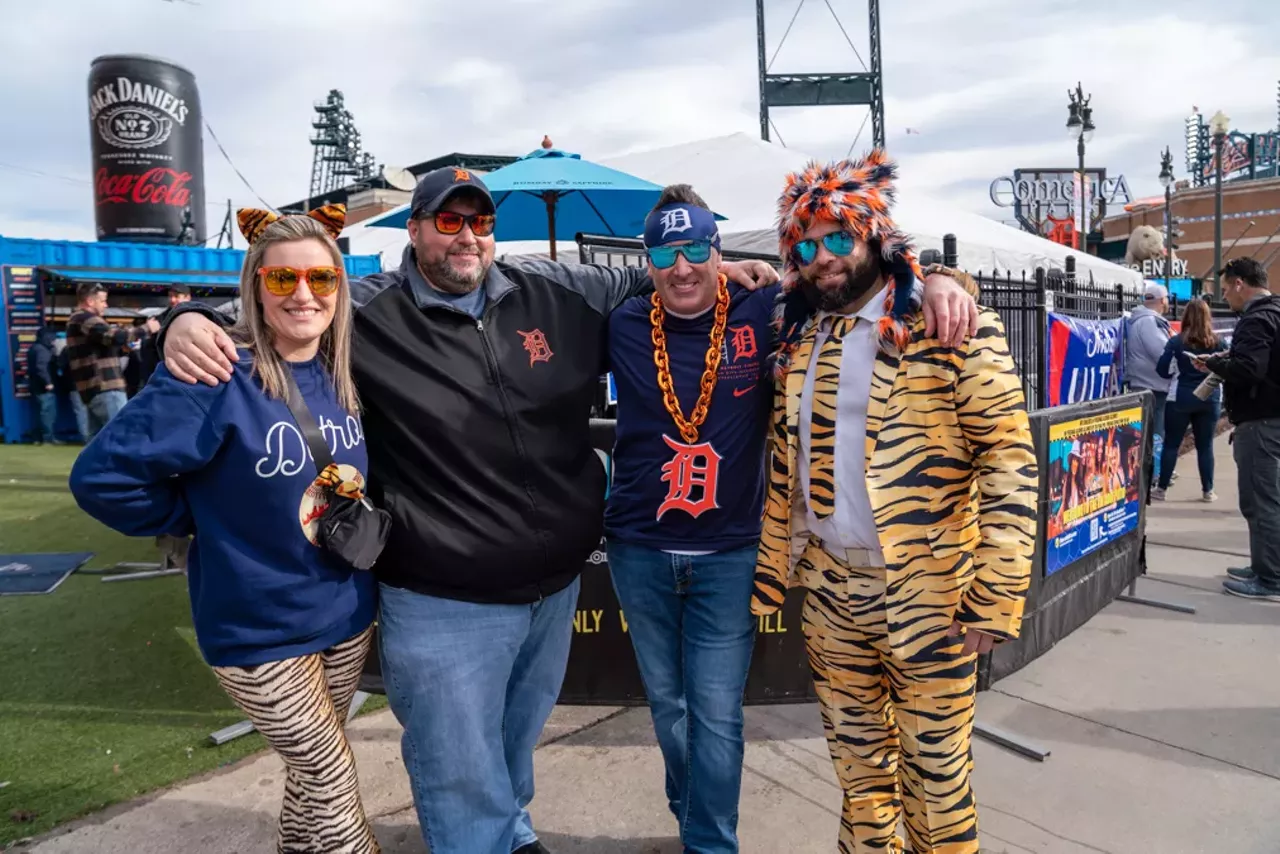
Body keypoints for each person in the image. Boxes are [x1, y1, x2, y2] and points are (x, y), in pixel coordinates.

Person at [156, 166, 792, 854]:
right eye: (449, 221)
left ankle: (512, 835)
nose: (467, 236)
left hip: (550, 592)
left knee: (511, 751)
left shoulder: (556, 289)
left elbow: (661, 275)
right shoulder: (364, 308)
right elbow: (280, 309)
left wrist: (735, 266)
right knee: (458, 772)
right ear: (416, 228)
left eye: (480, 222)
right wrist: (183, 319)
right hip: (442, 598)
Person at [604, 183, 978, 853]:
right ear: (648, 259)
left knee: (715, 713)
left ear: (718, 254)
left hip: (731, 551)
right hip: (639, 547)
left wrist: (947, 279)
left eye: (697, 249)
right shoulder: (623, 323)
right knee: (669, 708)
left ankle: (709, 842)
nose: (682, 266)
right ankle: (693, 809)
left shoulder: (767, 309)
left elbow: (863, 275)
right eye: (667, 252)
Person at [70, 206, 383, 853]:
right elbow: (101, 478)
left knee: (314, 771)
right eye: (282, 281)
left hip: (346, 614)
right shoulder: (216, 372)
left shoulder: (341, 369)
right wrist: (198, 516)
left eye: (322, 280)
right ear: (255, 286)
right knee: (329, 773)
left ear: (340, 289)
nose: (303, 294)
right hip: (257, 628)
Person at [751, 151, 1039, 854]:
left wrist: (996, 592)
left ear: (875, 233)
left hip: (932, 594)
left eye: (838, 238)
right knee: (858, 777)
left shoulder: (951, 324)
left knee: (936, 782)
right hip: (829, 593)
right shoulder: (798, 336)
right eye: (806, 245)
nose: (822, 258)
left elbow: (1008, 460)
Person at [1192, 258, 1280, 602]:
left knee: (1260, 502)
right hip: (1271, 417)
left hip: (1260, 422)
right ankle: (1266, 566)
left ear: (1241, 283)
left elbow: (1249, 369)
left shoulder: (1256, 320)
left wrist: (1215, 362)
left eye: (1226, 288)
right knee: (1268, 499)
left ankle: (1269, 577)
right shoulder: (1275, 312)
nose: (1225, 295)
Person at [1153, 297, 1227, 502]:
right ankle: (1208, 491)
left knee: (1171, 444)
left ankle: (1161, 489)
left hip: (1181, 396)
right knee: (1205, 446)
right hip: (1210, 396)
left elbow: (1162, 370)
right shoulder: (1219, 342)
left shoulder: (1176, 341)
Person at [65, 282, 159, 441]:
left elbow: (104, 346)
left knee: (98, 446)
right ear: (90, 301)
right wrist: (147, 328)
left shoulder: (78, 320)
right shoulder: (84, 318)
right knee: (122, 438)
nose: (106, 305)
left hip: (94, 389)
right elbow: (114, 337)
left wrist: (122, 349)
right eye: (102, 301)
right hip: (105, 387)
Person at [1125, 284, 1173, 485]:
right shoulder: (1149, 323)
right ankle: (1155, 472)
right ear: (1163, 300)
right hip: (1153, 384)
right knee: (1156, 431)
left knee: (1151, 429)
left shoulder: (1141, 321)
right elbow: (1162, 353)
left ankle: (1154, 468)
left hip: (1146, 383)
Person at [24, 327, 58, 444]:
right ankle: (48, 438)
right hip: (44, 388)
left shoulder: (33, 348)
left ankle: (37, 437)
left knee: (41, 413)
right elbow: (41, 368)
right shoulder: (42, 350)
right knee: (48, 413)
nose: (54, 341)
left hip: (35, 386)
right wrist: (48, 382)